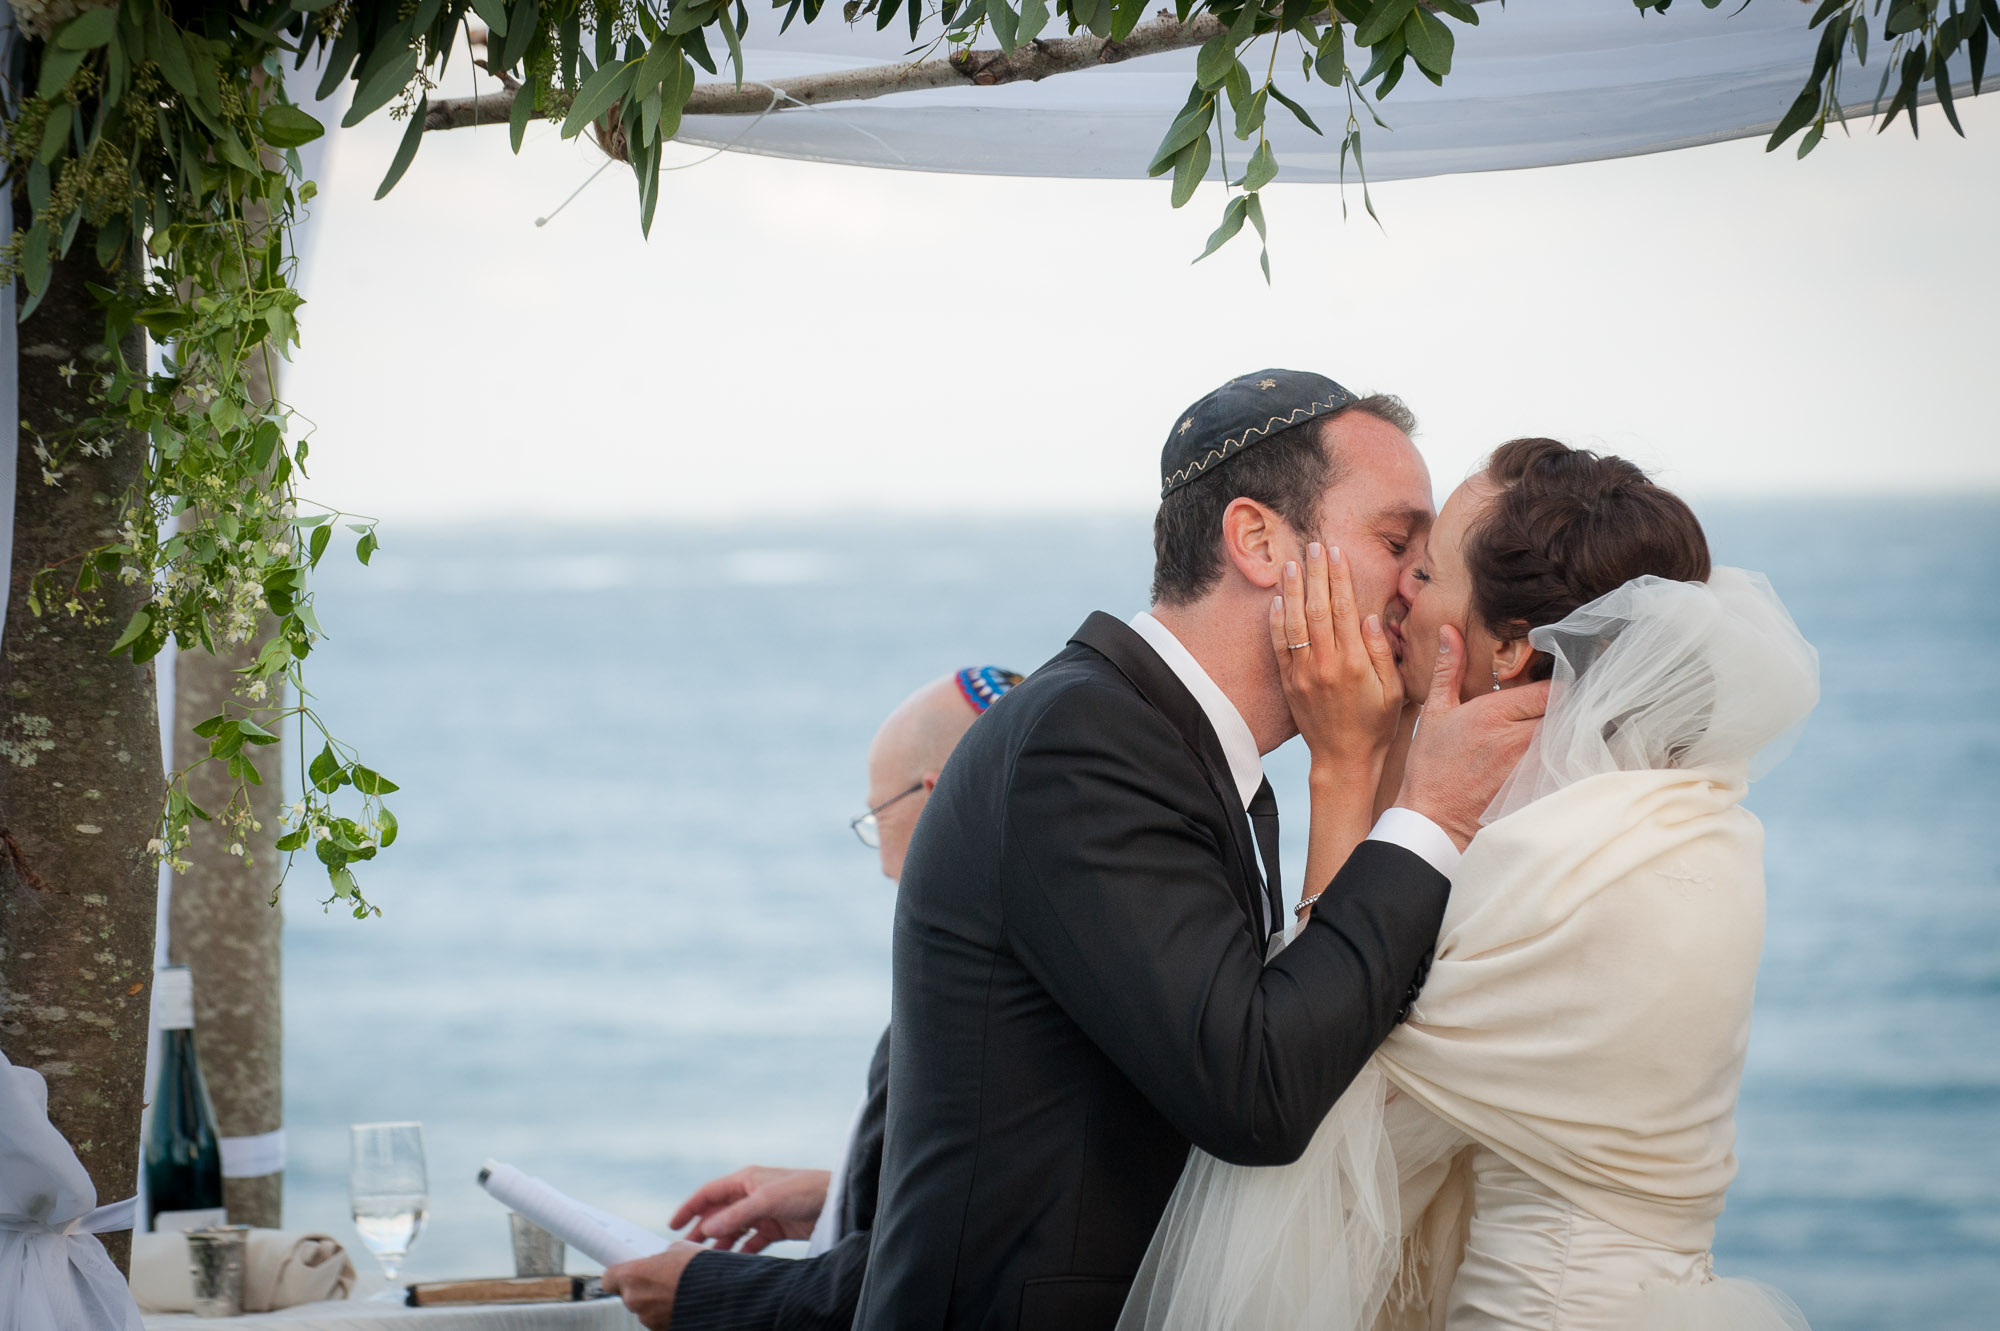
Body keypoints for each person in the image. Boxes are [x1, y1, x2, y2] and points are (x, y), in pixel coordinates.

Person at [853, 371, 1551, 1331]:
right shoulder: (1084, 743)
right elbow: (1256, 1091)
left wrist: (1371, 762)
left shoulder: (1188, 752)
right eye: (1398, 543)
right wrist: (1429, 813)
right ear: (1259, 541)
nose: (1416, 586)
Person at [1118, 438, 1820, 1331]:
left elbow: (1317, 1075)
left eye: (1430, 569)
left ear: (1513, 648)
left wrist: (1344, 761)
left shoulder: (1542, 867)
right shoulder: (1679, 816)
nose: (1400, 585)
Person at [603, 667, 1023, 1331]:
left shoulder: (985, 1002)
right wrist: (837, 1198)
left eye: (876, 815)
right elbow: (1000, 1203)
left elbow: (945, 1264)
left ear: (938, 801)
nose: (884, 861)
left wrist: (707, 1291)